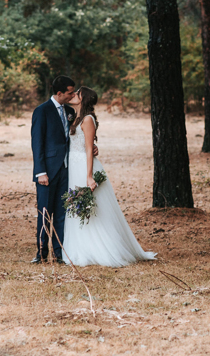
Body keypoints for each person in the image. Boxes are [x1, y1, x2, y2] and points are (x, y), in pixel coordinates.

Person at [63, 87, 155, 267]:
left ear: (84, 99)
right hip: (73, 166)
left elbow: (89, 149)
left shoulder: (88, 120)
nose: (73, 95)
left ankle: (98, 248)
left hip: (83, 165)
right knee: (77, 206)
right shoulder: (75, 117)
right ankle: (79, 246)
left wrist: (89, 176)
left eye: (77, 93)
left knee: (93, 208)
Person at [31, 76, 77, 263]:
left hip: (66, 170)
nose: (73, 95)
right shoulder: (42, 111)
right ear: (59, 93)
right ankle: (41, 253)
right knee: (44, 212)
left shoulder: (70, 111)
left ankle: (59, 254)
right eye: (70, 92)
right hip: (47, 172)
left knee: (61, 213)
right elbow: (37, 143)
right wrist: (40, 172)